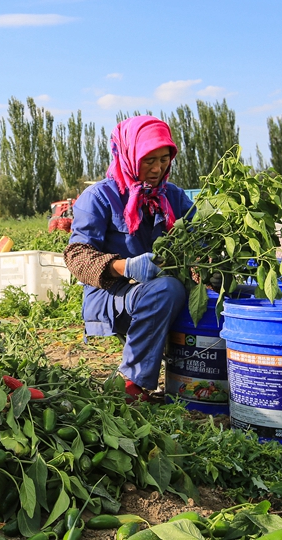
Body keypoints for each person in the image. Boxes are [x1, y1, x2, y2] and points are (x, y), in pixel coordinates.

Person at [63, 115, 193, 403]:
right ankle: (132, 382)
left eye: (164, 159)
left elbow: (200, 239)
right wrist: (125, 267)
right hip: (111, 294)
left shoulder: (173, 197)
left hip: (156, 293)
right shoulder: (100, 197)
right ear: (129, 155)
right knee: (167, 289)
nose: (158, 168)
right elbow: (77, 256)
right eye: (149, 160)